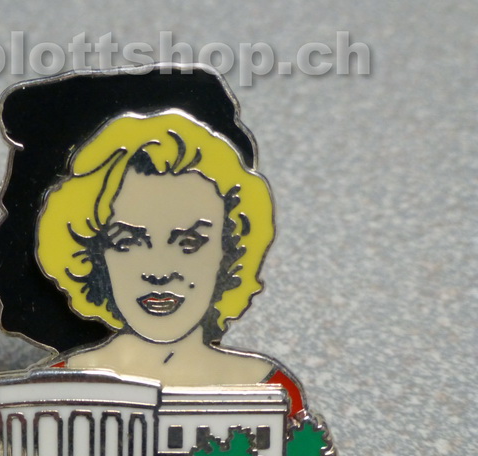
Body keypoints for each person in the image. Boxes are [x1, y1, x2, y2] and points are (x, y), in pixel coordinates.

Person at [35, 109, 305, 418]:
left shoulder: (273, 393)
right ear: (92, 255)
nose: (159, 273)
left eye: (189, 243)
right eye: (127, 242)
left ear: (231, 252)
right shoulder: (46, 394)